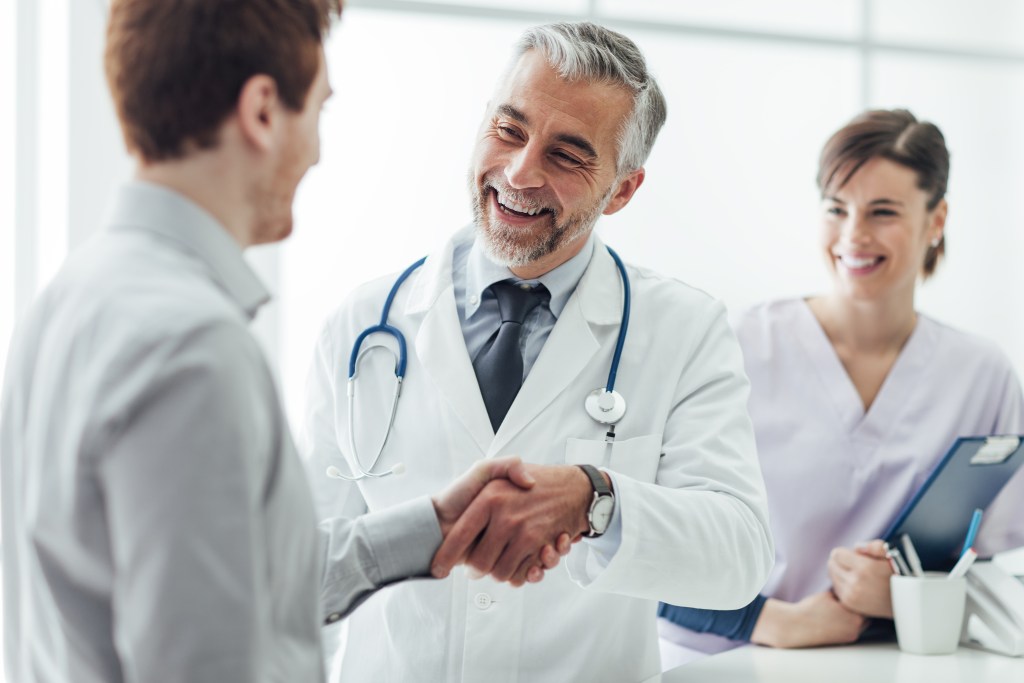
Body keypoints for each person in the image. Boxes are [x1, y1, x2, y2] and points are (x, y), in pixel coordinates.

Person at [0, 2, 567, 682]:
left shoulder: (77, 292)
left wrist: (433, 526)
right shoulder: (192, 348)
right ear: (263, 110)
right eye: (318, 111)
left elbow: (237, 578)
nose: (318, 151)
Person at [302, 21, 774, 683]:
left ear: (624, 188)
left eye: (568, 154)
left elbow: (740, 555)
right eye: (509, 129)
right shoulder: (361, 326)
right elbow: (303, 568)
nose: (521, 171)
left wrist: (596, 499)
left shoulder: (684, 329)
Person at [658, 108, 1024, 663]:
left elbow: (1001, 571)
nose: (854, 235)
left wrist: (908, 595)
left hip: (893, 666)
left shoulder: (982, 374)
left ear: (937, 219)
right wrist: (771, 620)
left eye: (883, 212)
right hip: (730, 661)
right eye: (837, 209)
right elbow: (643, 543)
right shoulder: (742, 345)